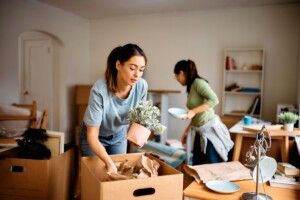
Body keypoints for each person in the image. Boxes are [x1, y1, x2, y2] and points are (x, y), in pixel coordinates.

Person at [79, 43, 148, 174]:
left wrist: (139, 135)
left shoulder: (142, 86)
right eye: (132, 68)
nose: (137, 75)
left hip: (118, 135)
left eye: (141, 69)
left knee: (118, 173)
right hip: (94, 137)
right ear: (118, 65)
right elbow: (92, 135)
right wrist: (109, 163)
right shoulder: (100, 90)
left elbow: (139, 116)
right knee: (95, 177)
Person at [173, 59, 234, 165]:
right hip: (199, 130)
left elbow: (214, 100)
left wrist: (192, 111)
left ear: (181, 73)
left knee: (213, 163)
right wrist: (186, 131)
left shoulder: (198, 83)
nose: (176, 79)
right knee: (197, 164)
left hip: (209, 130)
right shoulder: (191, 87)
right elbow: (195, 114)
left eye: (176, 75)